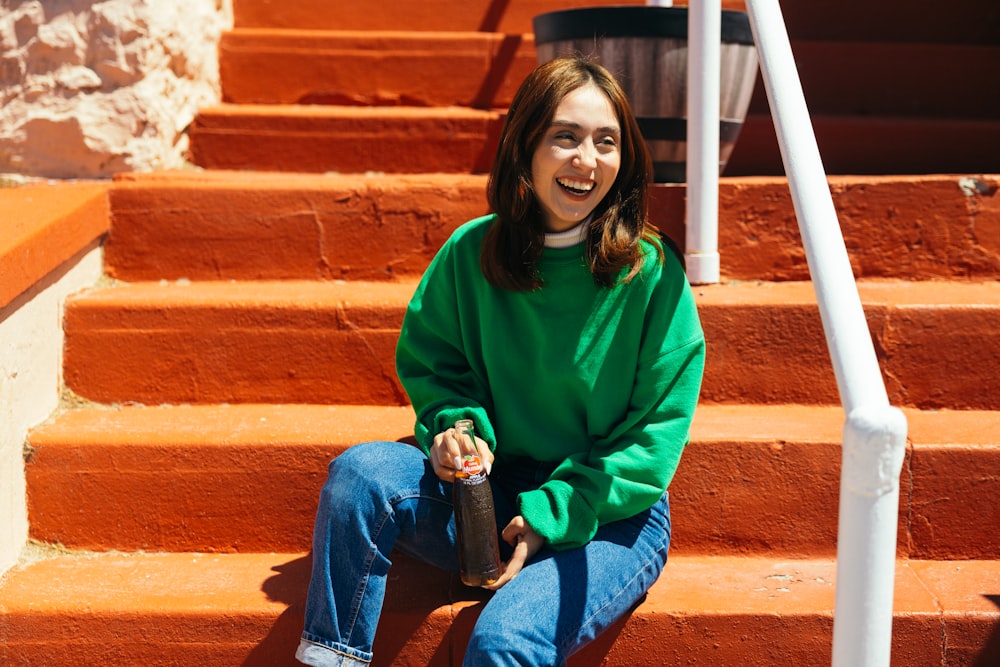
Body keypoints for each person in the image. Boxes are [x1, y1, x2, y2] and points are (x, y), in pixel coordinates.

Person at [296, 55, 706, 667]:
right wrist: (456, 432)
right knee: (361, 476)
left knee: (502, 641)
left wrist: (553, 514)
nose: (586, 161)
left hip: (608, 516)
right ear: (527, 145)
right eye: (565, 137)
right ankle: (333, 657)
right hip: (487, 498)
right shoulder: (471, 252)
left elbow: (650, 444)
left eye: (606, 142)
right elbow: (439, 368)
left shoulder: (652, 276)